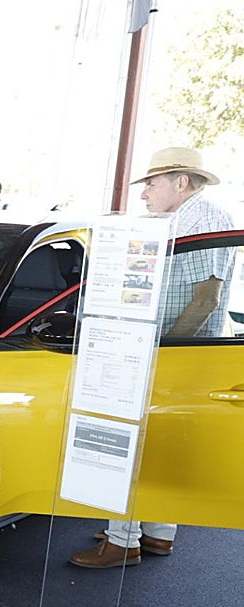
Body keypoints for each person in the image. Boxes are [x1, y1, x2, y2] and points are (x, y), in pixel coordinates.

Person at [71, 146, 236, 569]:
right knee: (162, 444)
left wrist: (164, 352)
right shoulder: (178, 220)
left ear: (181, 182)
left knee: (134, 444)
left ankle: (122, 540)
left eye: (151, 183)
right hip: (175, 351)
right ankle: (157, 532)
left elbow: (206, 298)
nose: (144, 192)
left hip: (173, 352)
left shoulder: (206, 220)